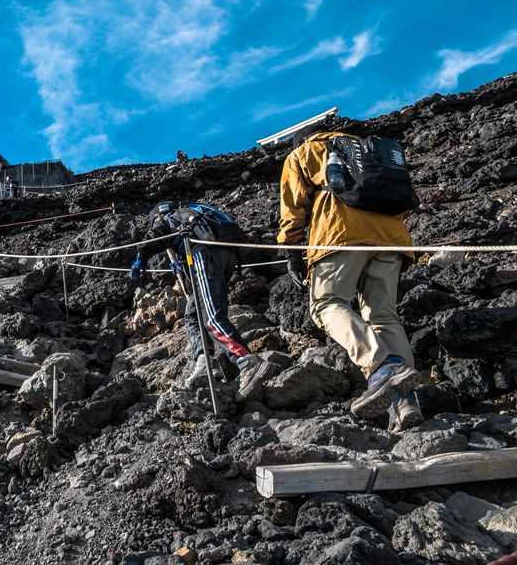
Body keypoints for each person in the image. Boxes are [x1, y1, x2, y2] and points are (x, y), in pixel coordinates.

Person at [278, 126, 421, 429]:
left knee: (326, 304)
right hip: (391, 237)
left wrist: (290, 250)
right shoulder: (371, 151)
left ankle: (382, 366)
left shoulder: (304, 152)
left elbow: (293, 208)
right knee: (384, 316)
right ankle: (406, 403)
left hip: (340, 233)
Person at [131, 201, 275, 401]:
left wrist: (141, 257)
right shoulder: (195, 217)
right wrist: (181, 265)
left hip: (204, 254)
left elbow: (156, 236)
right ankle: (205, 363)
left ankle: (246, 361)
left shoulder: (166, 217)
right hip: (227, 257)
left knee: (210, 317)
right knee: (193, 313)